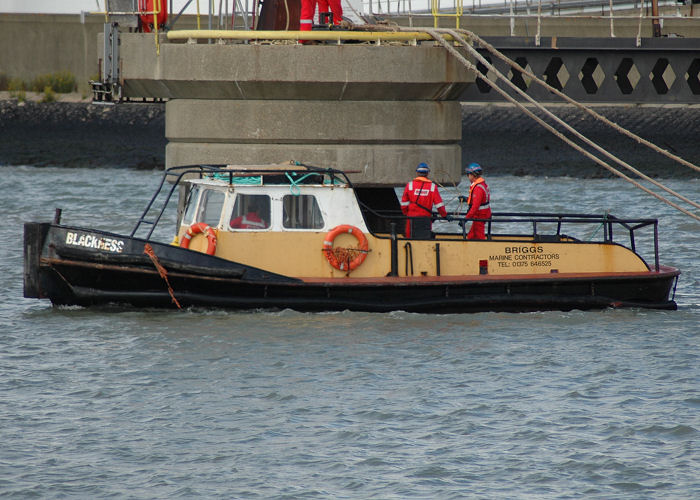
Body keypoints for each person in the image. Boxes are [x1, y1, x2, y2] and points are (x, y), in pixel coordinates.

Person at [400, 162, 447, 238]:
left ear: (417, 173)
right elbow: (439, 205)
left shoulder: (410, 185)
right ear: (427, 173)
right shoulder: (432, 187)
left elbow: (404, 205)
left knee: (410, 237)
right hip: (426, 218)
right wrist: (444, 215)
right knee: (425, 237)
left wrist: (406, 214)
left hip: (411, 218)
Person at [459, 162, 491, 240]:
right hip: (482, 215)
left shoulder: (478, 188)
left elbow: (475, 206)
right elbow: (479, 201)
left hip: (480, 216)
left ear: (473, 175)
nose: (468, 177)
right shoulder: (482, 184)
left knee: (479, 237)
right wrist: (466, 199)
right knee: (471, 236)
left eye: (468, 175)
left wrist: (465, 219)